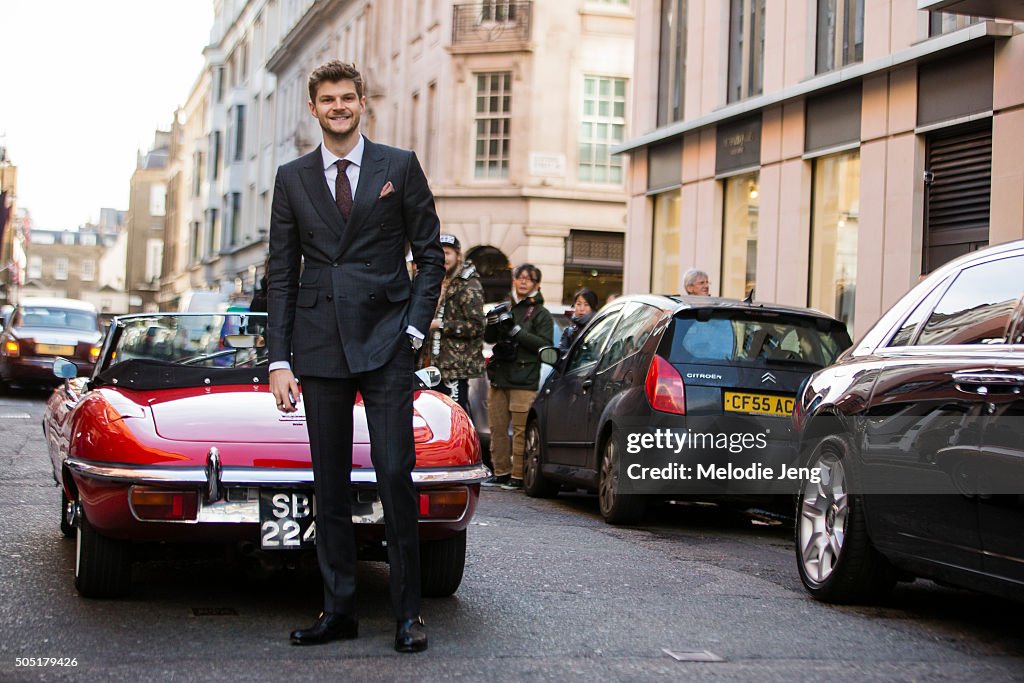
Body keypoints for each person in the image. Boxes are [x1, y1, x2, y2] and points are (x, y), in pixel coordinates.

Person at [266, 60, 444, 653]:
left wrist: (414, 332)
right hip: (318, 347)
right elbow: (281, 274)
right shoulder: (291, 178)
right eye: (327, 99)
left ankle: (408, 615)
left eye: (348, 97)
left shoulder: (400, 165)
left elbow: (430, 256)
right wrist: (278, 359)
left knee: (395, 473)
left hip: (388, 340)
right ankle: (338, 609)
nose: (338, 106)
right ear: (312, 109)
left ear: (362, 103)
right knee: (331, 483)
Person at [483, 263, 553, 490]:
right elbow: (489, 339)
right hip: (500, 375)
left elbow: (544, 345)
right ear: (513, 280)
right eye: (519, 278)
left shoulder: (541, 313)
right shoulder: (505, 307)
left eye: (528, 279)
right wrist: (492, 324)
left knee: (522, 430)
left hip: (524, 378)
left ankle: (518, 476)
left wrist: (517, 332)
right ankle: (500, 472)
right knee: (497, 428)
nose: (523, 282)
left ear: (536, 284)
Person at [425, 233, 485, 416]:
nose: (444, 258)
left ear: (458, 255)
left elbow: (477, 326)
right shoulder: (433, 280)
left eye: (447, 253)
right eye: (440, 253)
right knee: (432, 416)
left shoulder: (469, 284)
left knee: (455, 417)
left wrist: (441, 325)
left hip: (455, 369)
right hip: (431, 367)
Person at [558, 287, 598, 353]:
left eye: (586, 305)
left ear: (593, 307)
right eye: (578, 304)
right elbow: (561, 354)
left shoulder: (598, 328)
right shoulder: (569, 331)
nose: (581, 309)